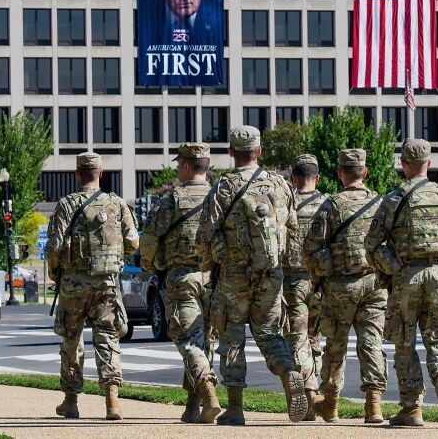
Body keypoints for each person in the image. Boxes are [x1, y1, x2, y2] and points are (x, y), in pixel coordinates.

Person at [196, 125, 308, 425]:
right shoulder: (281, 185)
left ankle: (234, 408)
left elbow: (204, 234)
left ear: (232, 152)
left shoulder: (223, 187)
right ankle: (288, 372)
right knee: (269, 333)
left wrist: (211, 260)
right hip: (271, 274)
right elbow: (293, 228)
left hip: (233, 274)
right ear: (259, 151)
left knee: (231, 337)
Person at [365, 139, 438, 427]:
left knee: (404, 341)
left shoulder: (394, 199)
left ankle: (412, 408)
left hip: (406, 276)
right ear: (429, 163)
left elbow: (372, 244)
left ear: (403, 165)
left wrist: (393, 267)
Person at [45, 152, 139, 420]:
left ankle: (71, 401)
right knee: (108, 337)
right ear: (101, 173)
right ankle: (112, 401)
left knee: (71, 341)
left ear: (77, 174)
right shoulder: (117, 204)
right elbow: (133, 242)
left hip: (73, 283)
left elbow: (54, 247)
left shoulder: (66, 204)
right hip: (106, 283)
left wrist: (56, 274)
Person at [139, 143, 221, 424]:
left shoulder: (171, 200)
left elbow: (148, 241)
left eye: (178, 165)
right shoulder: (220, 198)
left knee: (188, 341)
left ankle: (208, 391)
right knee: (204, 342)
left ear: (186, 166)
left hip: (181, 278)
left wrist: (150, 265)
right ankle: (192, 407)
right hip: (214, 279)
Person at [305, 149, 387, 424]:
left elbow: (313, 247)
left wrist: (323, 274)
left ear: (340, 173)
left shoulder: (331, 205)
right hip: (374, 283)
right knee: (372, 342)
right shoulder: (380, 203)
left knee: (335, 346)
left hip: (341, 285)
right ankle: (373, 405)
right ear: (364, 172)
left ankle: (330, 403)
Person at [282, 154, 328, 420]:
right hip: (321, 282)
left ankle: (309, 387)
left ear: (293, 178)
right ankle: (313, 394)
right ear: (317, 178)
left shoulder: (285, 205)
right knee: (314, 339)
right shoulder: (328, 204)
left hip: (293, 281)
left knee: (297, 338)